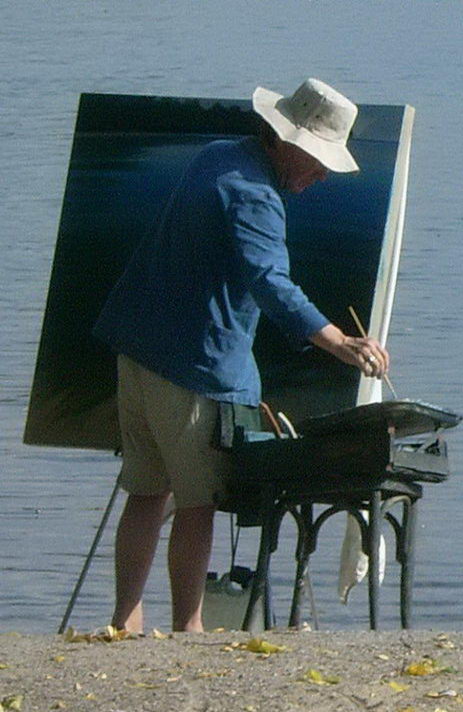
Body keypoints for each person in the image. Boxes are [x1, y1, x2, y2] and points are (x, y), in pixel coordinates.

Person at [93, 78, 389, 633]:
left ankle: (123, 622)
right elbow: (271, 283)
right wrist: (340, 343)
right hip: (190, 364)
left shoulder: (218, 156)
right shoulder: (256, 194)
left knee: (144, 490)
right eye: (319, 161)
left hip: (135, 349)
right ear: (286, 142)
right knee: (197, 499)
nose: (322, 175)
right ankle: (190, 630)